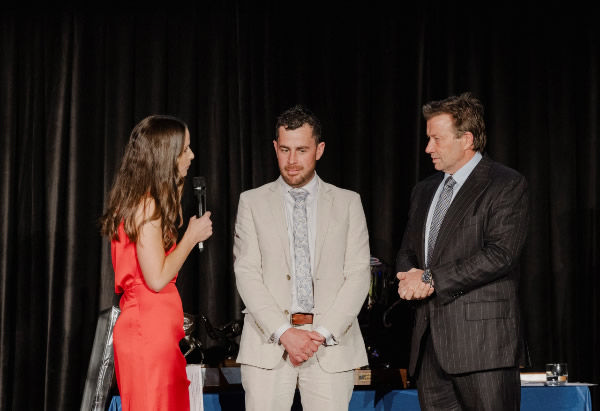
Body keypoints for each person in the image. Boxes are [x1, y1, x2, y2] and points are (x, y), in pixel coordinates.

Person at [395, 92, 529, 410]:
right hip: (430, 351)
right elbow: (407, 252)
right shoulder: (424, 190)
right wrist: (408, 274)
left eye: (437, 139)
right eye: (428, 139)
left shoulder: (505, 184)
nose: (428, 148)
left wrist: (428, 278)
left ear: (466, 139)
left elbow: (500, 254)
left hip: (484, 349)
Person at [233, 105, 370, 411]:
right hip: (268, 345)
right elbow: (247, 273)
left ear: (319, 150)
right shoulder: (251, 202)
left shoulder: (348, 203)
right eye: (284, 150)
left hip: (330, 347)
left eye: (302, 150)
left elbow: (359, 274)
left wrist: (319, 335)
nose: (292, 161)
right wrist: (284, 333)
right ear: (274, 148)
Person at [100, 115, 213, 411]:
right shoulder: (146, 204)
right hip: (146, 330)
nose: (191, 155)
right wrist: (191, 237)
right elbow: (156, 278)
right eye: (185, 149)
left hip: (154, 328)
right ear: (166, 155)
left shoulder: (144, 201)